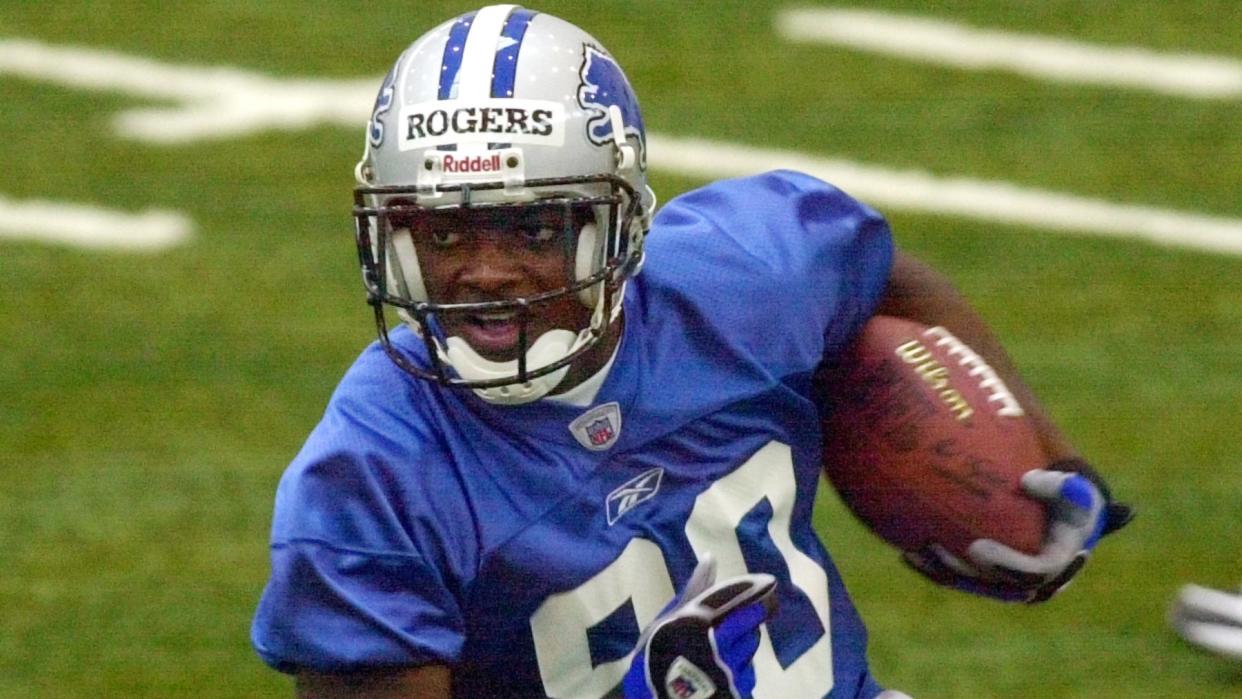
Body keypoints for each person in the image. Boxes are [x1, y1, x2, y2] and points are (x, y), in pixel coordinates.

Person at [250, 5, 1132, 697]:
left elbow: (888, 278)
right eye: (443, 231)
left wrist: (1039, 468)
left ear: (622, 221)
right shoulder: (368, 479)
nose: (485, 270)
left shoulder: (743, 275)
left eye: (532, 225)